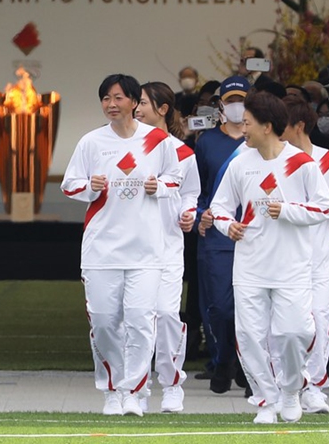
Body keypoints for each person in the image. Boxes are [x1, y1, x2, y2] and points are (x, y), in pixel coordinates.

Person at [61, 74, 181, 416]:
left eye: (118, 98)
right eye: (105, 99)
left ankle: (133, 390)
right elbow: (70, 185)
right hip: (102, 249)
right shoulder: (92, 142)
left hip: (146, 249)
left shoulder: (158, 141)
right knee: (103, 321)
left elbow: (176, 179)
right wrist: (91, 186)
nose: (111, 104)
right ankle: (111, 388)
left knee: (142, 320)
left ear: (132, 101)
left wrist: (158, 185)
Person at [210, 91, 329, 424]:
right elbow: (219, 208)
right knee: (249, 336)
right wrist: (227, 226)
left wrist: (289, 210)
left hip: (291, 267)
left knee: (293, 332)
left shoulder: (300, 163)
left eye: (247, 123)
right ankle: (266, 399)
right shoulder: (239, 163)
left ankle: (291, 390)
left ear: (267, 126)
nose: (242, 129)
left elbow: (324, 207)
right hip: (249, 266)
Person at [135, 82, 200, 413]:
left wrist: (187, 213)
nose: (136, 108)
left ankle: (172, 384)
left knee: (166, 314)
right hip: (131, 247)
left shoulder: (182, 152)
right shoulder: (125, 148)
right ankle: (137, 383)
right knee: (134, 316)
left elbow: (190, 193)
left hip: (168, 246)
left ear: (162, 109)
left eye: (143, 102)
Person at [280, 94, 329, 413]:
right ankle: (288, 383)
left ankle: (316, 387)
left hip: (320, 254)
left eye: (283, 125)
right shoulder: (275, 160)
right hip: (284, 254)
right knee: (288, 324)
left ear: (299, 126)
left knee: (320, 319)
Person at [195, 76, 250, 394]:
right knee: (219, 307)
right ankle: (224, 357)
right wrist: (201, 212)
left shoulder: (260, 141)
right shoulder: (207, 142)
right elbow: (200, 189)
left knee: (250, 305)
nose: (235, 106)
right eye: (230, 100)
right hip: (216, 233)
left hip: (253, 232)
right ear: (220, 104)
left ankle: (242, 364)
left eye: (241, 99)